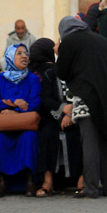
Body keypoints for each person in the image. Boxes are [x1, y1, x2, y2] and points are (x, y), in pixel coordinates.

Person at [55, 15, 107, 199]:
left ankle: (90, 189)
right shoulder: (101, 40)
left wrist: (60, 53)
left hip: (88, 97)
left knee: (89, 143)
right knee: (106, 142)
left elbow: (62, 72)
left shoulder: (70, 42)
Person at [29, 37, 83, 196]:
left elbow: (83, 95)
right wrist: (62, 110)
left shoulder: (79, 72)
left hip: (78, 116)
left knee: (82, 134)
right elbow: (45, 99)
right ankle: (48, 180)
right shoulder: (50, 73)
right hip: (54, 117)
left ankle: (82, 177)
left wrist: (71, 113)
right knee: (48, 133)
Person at [0, 43, 42, 196]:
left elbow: (35, 104)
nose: (25, 56)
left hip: (25, 125)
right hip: (3, 127)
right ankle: (1, 182)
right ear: (10, 57)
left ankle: (30, 181)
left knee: (29, 137)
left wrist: (14, 113)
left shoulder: (33, 80)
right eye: (19, 53)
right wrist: (11, 103)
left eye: (26, 53)